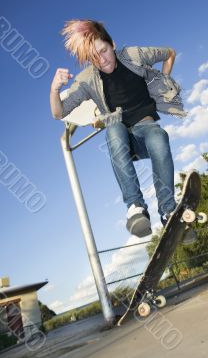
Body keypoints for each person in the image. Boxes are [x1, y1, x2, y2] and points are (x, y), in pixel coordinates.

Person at [50, 19, 187, 238]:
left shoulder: (134, 55)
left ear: (112, 44)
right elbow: (59, 113)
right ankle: (136, 208)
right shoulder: (87, 80)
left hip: (145, 129)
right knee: (113, 128)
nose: (102, 60)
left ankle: (168, 210)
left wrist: (164, 80)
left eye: (103, 51)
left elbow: (169, 52)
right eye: (94, 57)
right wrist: (54, 89)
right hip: (122, 140)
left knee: (159, 137)